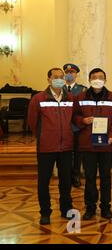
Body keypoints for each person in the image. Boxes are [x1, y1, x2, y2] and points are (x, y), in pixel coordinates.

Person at [73, 68, 112, 220]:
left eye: (101, 77)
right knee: (90, 177)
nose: (97, 79)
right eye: (94, 77)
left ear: (105, 80)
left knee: (106, 177)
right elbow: (74, 117)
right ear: (89, 80)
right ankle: (90, 207)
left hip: (106, 145)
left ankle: (106, 207)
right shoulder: (80, 97)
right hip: (88, 145)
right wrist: (83, 121)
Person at [27, 68, 74, 225]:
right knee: (44, 181)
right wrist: (44, 136)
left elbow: (74, 120)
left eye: (62, 77)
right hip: (46, 148)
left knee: (66, 181)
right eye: (56, 77)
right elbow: (33, 123)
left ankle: (66, 209)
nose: (59, 79)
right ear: (48, 79)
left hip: (66, 147)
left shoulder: (70, 98)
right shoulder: (38, 98)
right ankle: (45, 212)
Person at [62, 63, 88, 188]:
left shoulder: (82, 90)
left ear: (76, 74)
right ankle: (66, 176)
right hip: (62, 126)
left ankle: (76, 175)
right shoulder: (59, 89)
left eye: (72, 72)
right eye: (67, 72)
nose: (69, 74)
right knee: (65, 152)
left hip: (77, 126)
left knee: (78, 152)